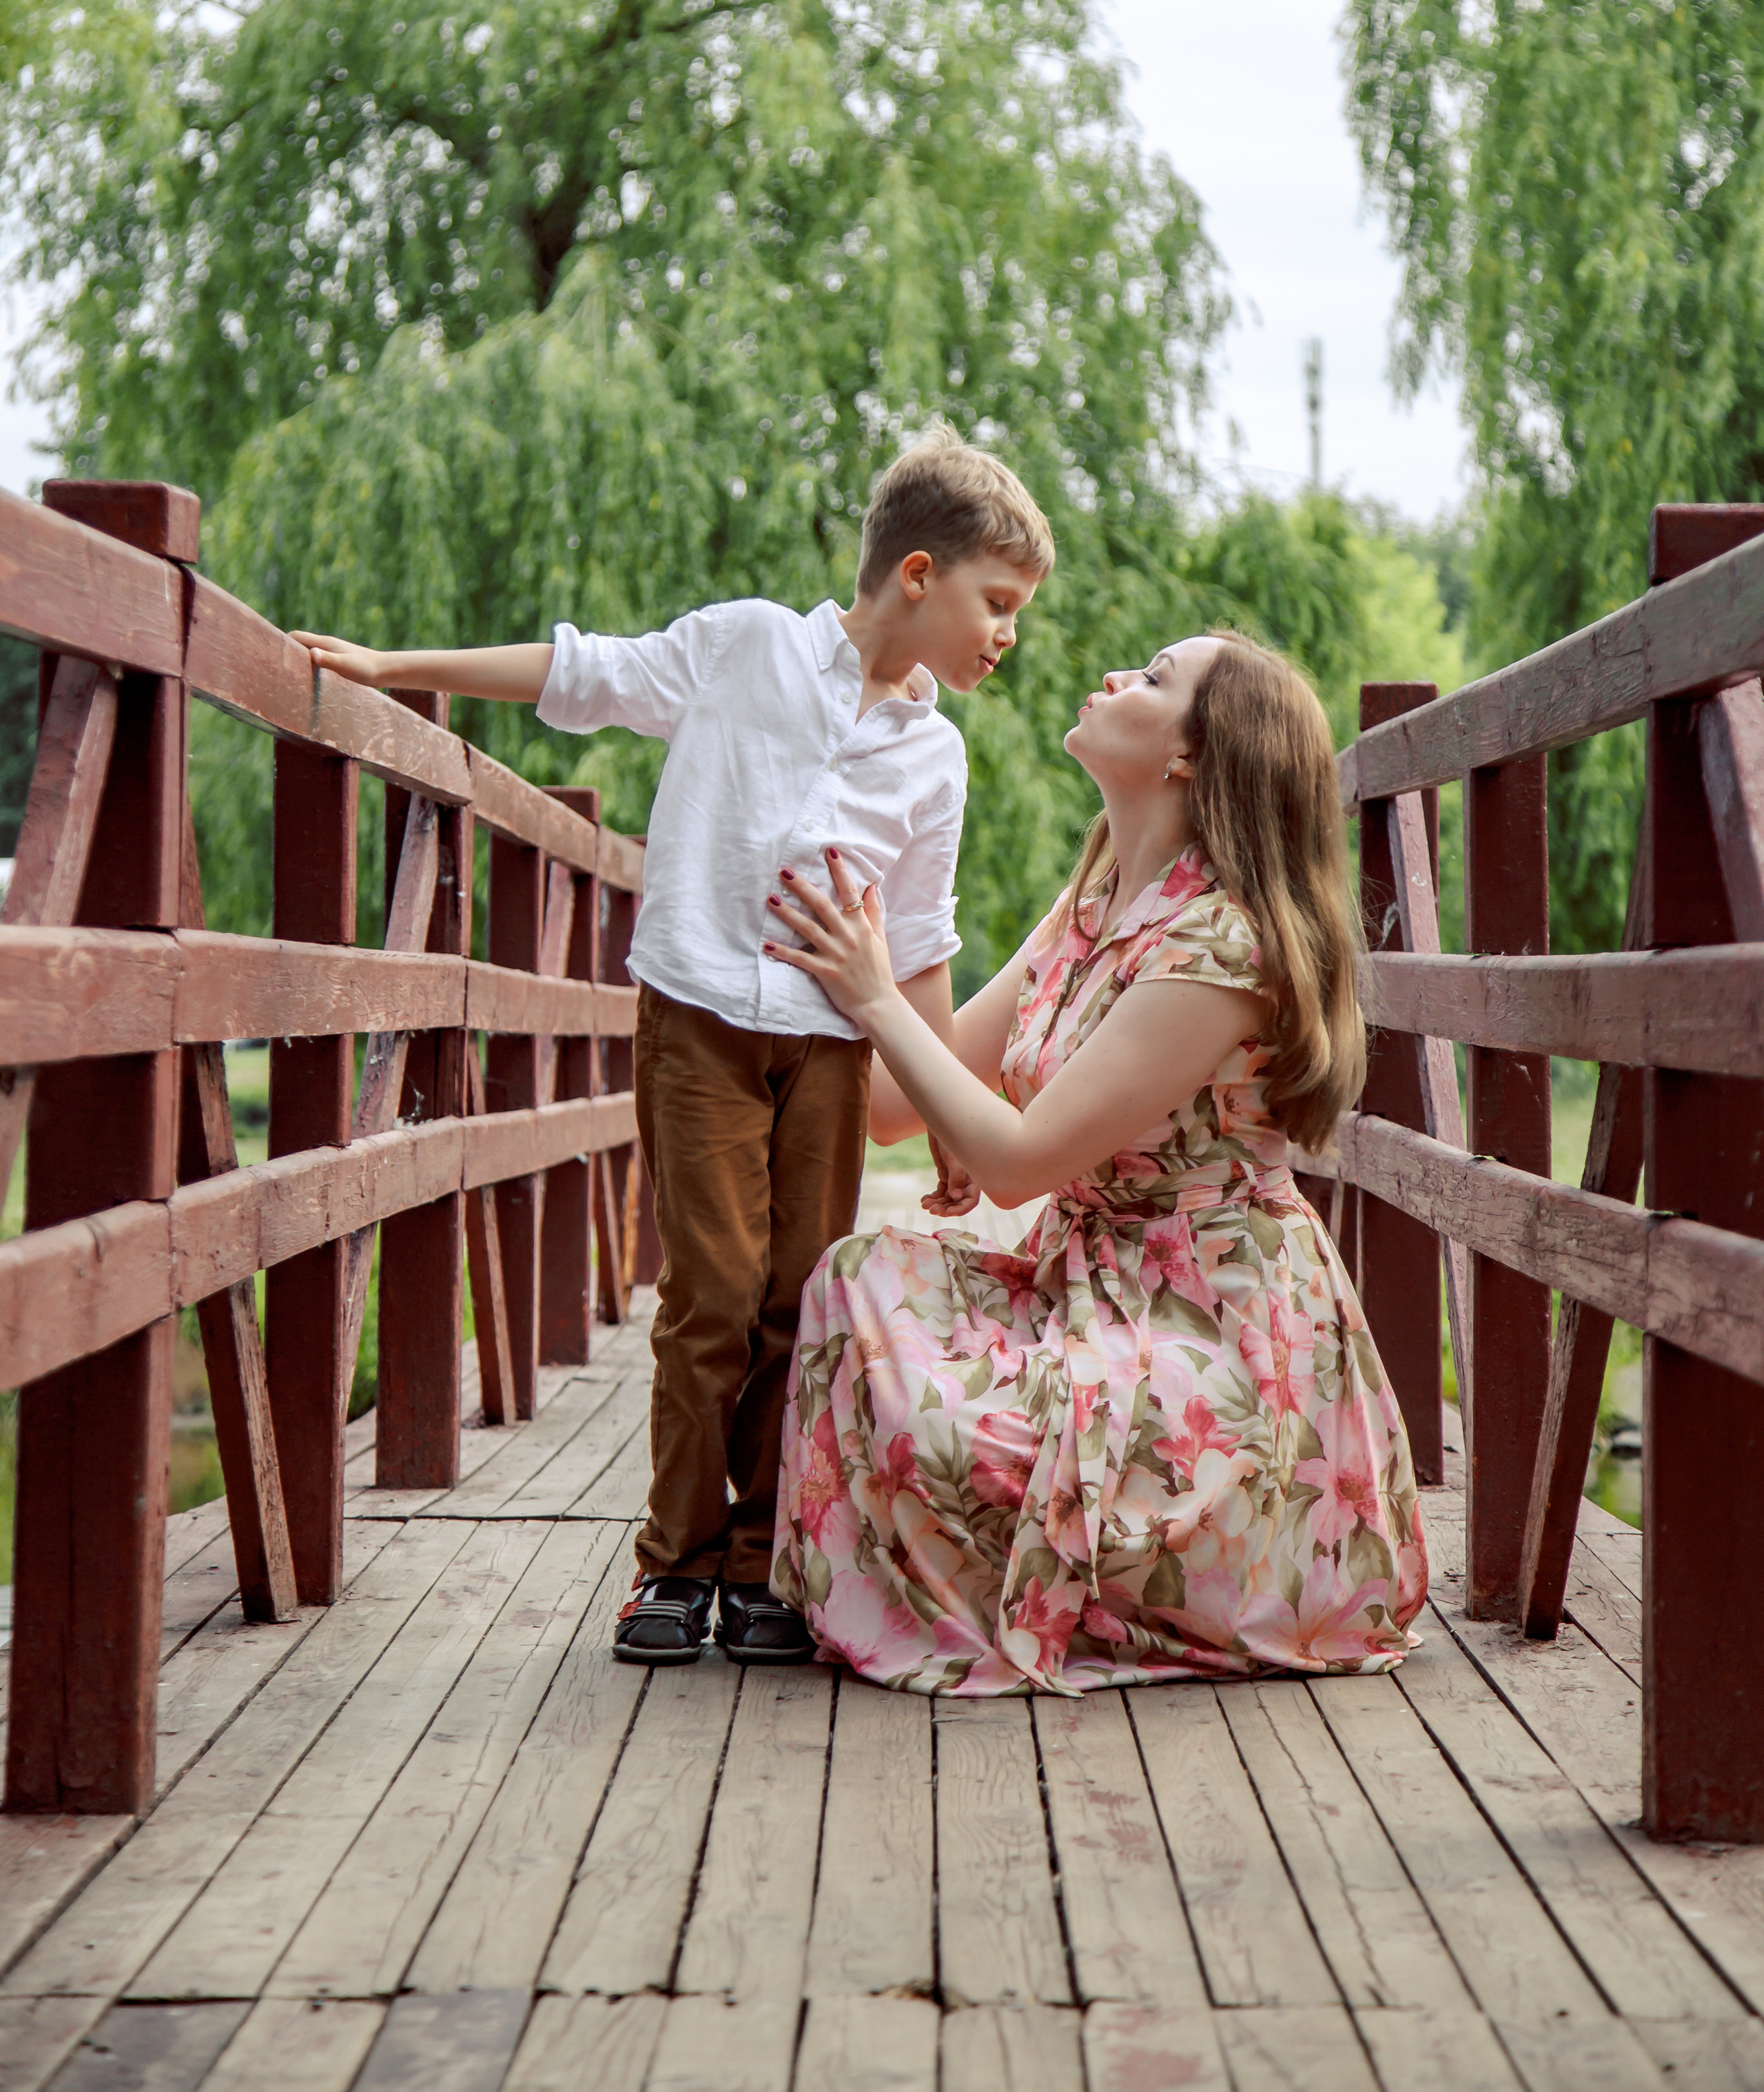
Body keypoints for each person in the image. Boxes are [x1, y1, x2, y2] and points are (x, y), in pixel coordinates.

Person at [292, 427, 1054, 1668]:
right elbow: (579, 673)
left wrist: (952, 1106)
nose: (1007, 634)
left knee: (797, 1298)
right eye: (999, 602)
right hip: (698, 1018)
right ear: (919, 575)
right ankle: (673, 1565)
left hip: (829, 1047)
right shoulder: (747, 645)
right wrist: (393, 666)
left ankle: (759, 1569)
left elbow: (921, 944)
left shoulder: (936, 754)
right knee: (710, 1291)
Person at [763, 630, 1427, 1694]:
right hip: (1084, 1287)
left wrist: (876, 993)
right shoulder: (1090, 907)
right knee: (857, 1280)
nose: (1115, 677)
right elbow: (894, 1107)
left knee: (943, 1419)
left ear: (1193, 757)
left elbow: (1018, 1162)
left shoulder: (1222, 944)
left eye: (1154, 680)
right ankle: (987, 1572)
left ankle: (1178, 1574)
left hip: (1214, 1336)